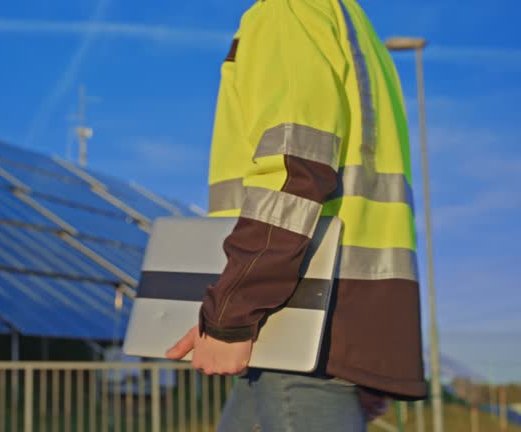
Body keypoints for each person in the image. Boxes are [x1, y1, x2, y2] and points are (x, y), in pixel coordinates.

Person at [166, 0, 427, 430]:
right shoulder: (349, 22)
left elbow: (293, 170)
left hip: (293, 316)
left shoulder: (287, 11)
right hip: (323, 323)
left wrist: (231, 313)